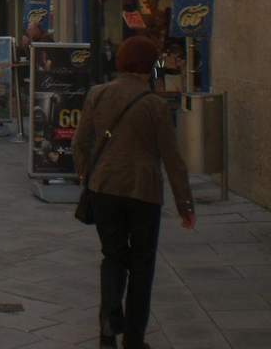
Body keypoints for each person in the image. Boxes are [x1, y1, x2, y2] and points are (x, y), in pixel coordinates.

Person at [72, 36, 195, 349]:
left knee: (112, 257)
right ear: (149, 66)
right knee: (142, 266)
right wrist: (185, 203)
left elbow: (79, 143)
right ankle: (134, 338)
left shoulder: (98, 94)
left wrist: (86, 174)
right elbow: (172, 158)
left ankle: (108, 328)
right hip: (144, 192)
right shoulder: (154, 105)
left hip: (104, 189)